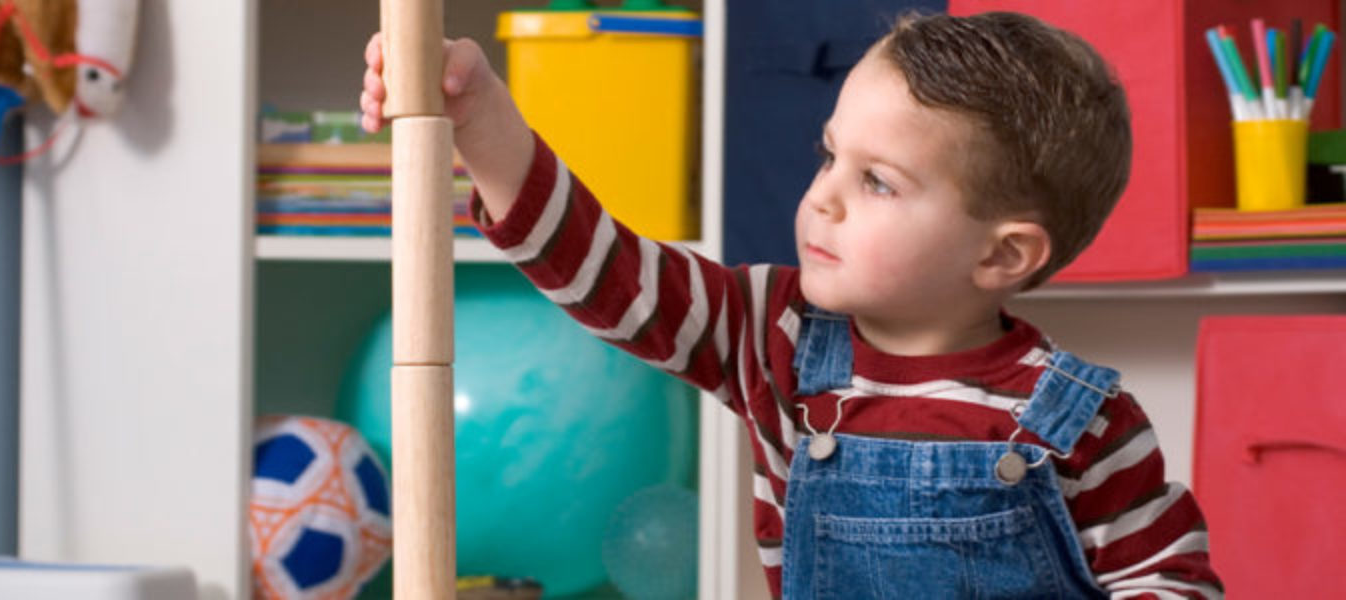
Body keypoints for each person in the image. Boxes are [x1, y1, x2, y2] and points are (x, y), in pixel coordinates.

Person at [360, 11, 1223, 599]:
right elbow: (597, 261)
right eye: (829, 157)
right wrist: (481, 119)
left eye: (878, 183)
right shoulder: (767, 332)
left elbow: (1168, 579)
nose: (823, 199)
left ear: (1002, 255)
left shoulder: (1081, 417)